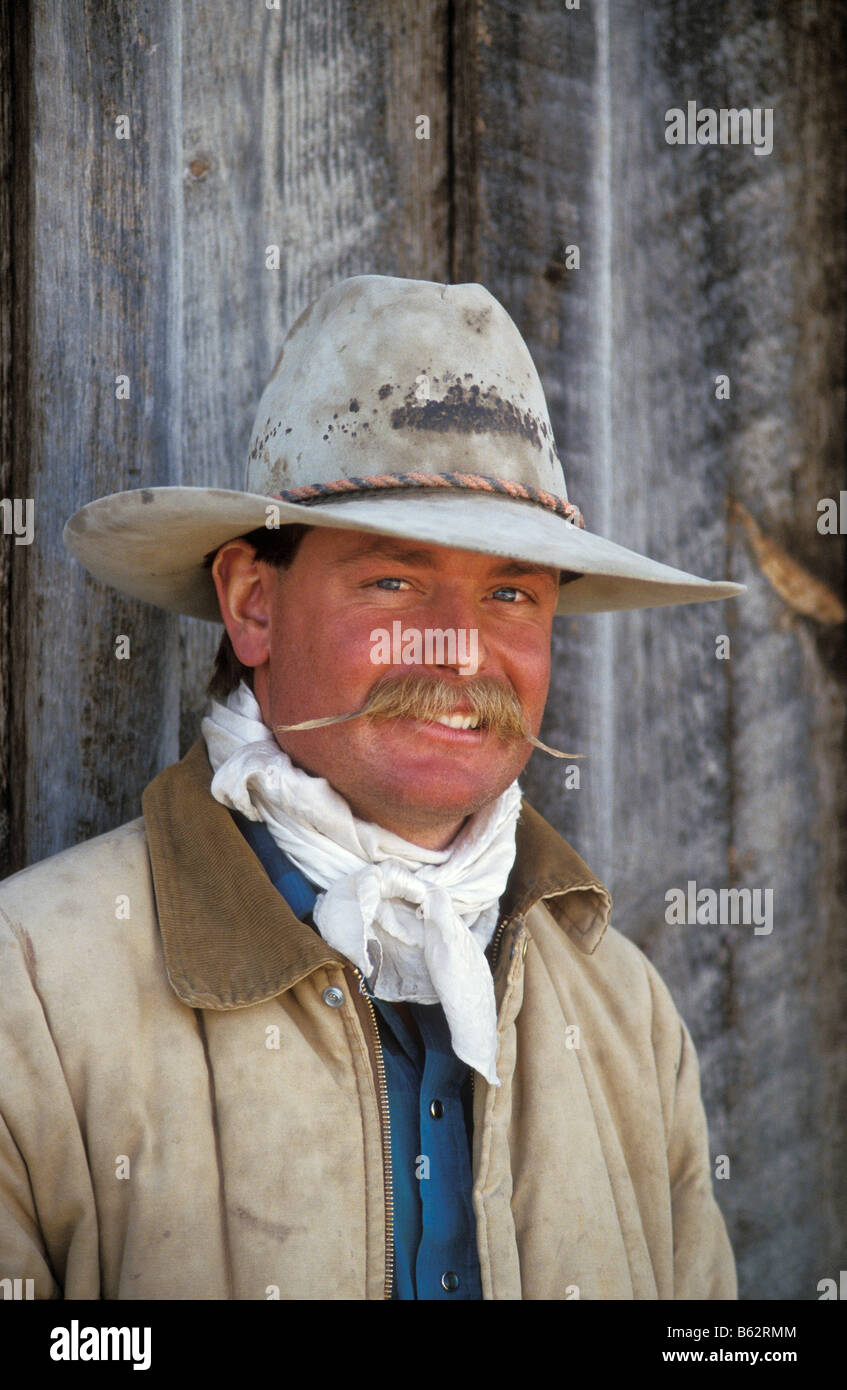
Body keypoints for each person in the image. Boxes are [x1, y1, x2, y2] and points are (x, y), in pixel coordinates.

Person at [0, 275, 740, 1300]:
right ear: (253, 607)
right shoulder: (31, 989)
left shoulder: (624, 1013)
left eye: (512, 592)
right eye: (394, 580)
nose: (459, 649)